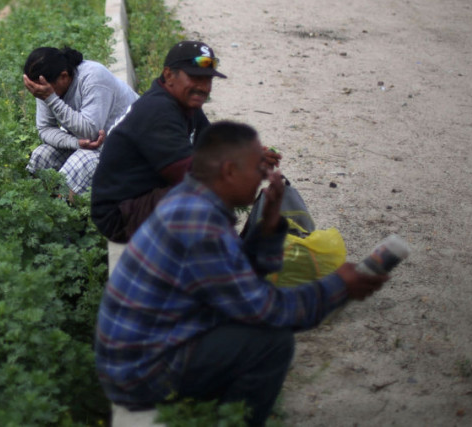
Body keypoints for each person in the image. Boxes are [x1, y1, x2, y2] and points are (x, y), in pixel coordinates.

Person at [95, 121, 388, 425]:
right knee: (272, 343)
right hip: (139, 374)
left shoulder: (193, 199)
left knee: (252, 330)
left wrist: (270, 224)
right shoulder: (199, 224)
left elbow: (241, 276)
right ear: (229, 171)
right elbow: (267, 310)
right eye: (257, 167)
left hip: (138, 353)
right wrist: (339, 286)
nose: (264, 175)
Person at [90, 40, 280, 243]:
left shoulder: (185, 105)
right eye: (194, 78)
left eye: (208, 80)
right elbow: (190, 175)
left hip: (146, 198)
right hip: (121, 214)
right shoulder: (159, 110)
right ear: (169, 74)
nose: (203, 87)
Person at [23, 46, 138, 195]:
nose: (39, 93)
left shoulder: (93, 76)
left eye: (42, 91)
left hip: (124, 144)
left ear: (64, 76)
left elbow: (91, 132)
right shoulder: (46, 86)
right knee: (41, 156)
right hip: (89, 142)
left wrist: (51, 99)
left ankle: (68, 211)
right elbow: (45, 129)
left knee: (79, 163)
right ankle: (46, 203)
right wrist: (75, 143)